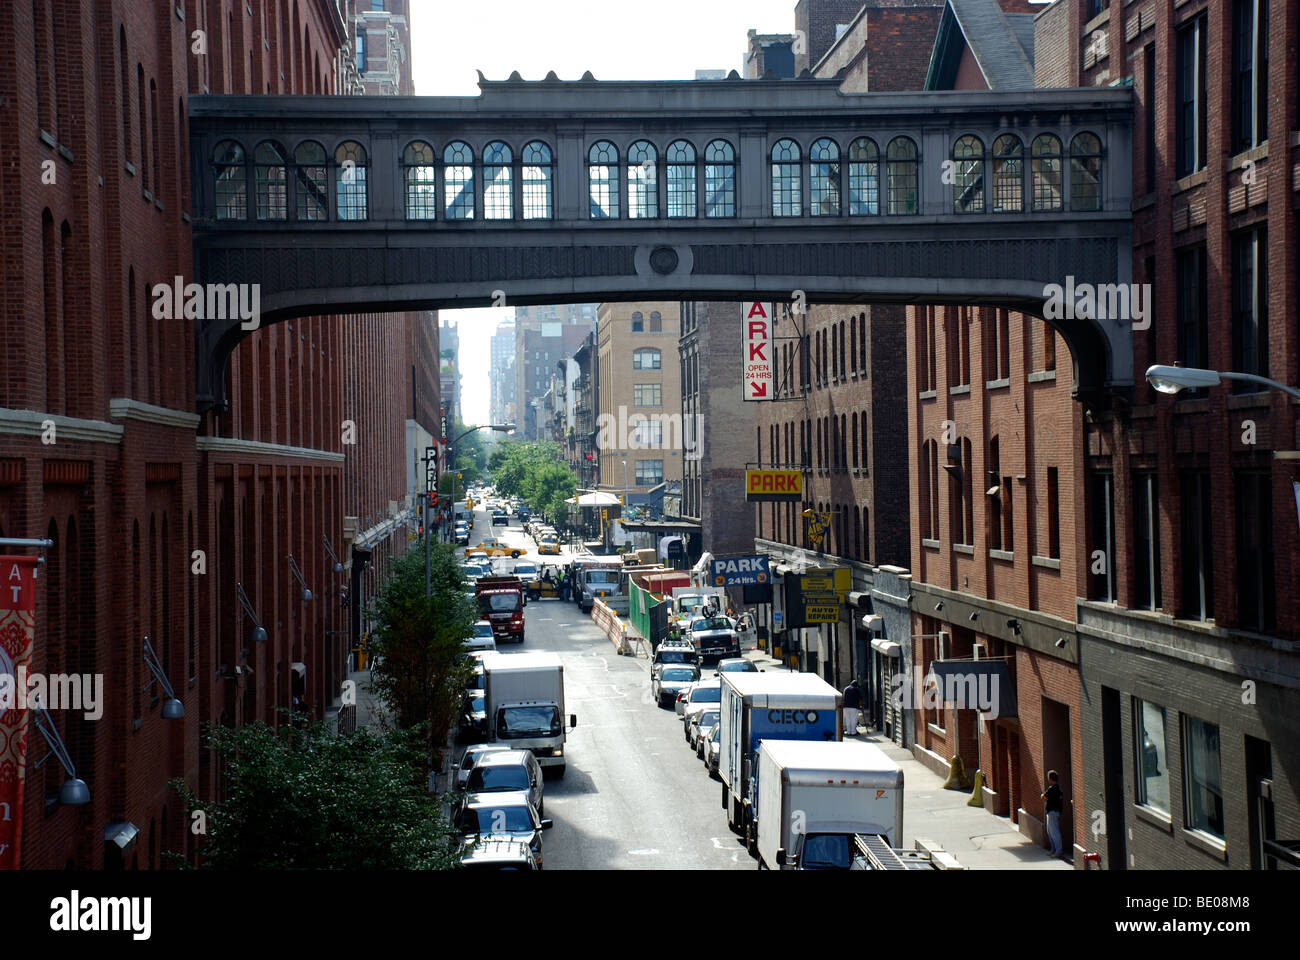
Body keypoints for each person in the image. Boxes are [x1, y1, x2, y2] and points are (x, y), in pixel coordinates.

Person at [1042, 769, 1064, 857]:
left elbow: (1044, 797)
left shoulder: (1052, 789)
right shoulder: (1059, 788)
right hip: (1055, 812)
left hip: (1052, 812)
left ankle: (1058, 850)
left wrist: (1042, 795)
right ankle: (1054, 849)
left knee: (1054, 832)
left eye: (1049, 778)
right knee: (1050, 831)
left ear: (1051, 779)